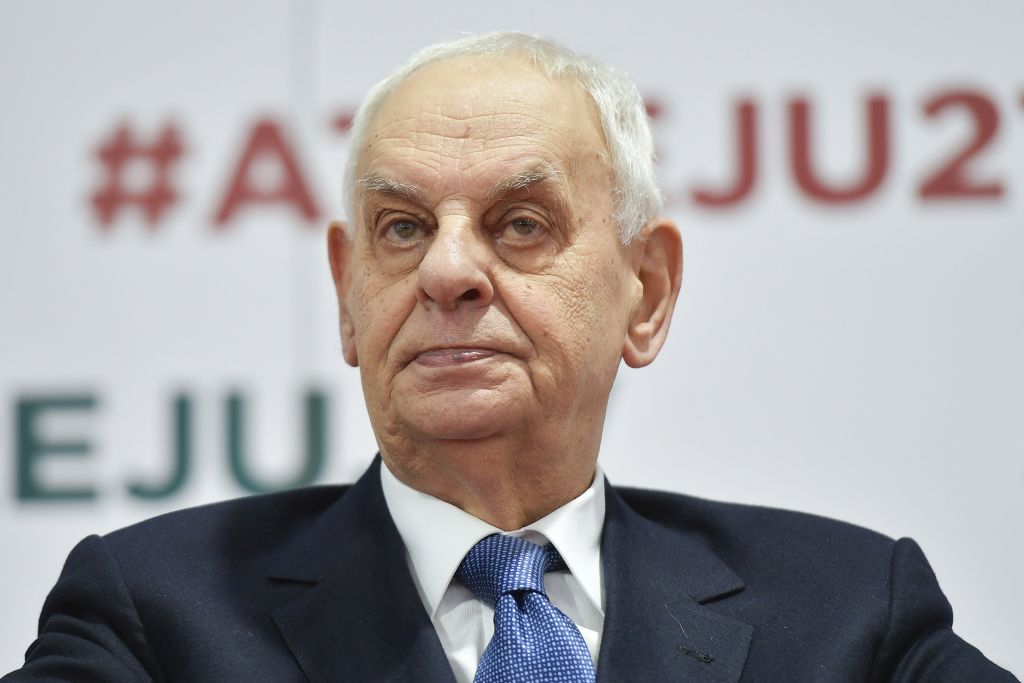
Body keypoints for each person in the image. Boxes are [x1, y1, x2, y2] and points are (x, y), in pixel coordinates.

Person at [3, 32, 1017, 683]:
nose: (446, 271)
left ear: (646, 290)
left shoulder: (848, 613)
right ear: (348, 294)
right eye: (402, 228)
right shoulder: (154, 619)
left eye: (521, 222)